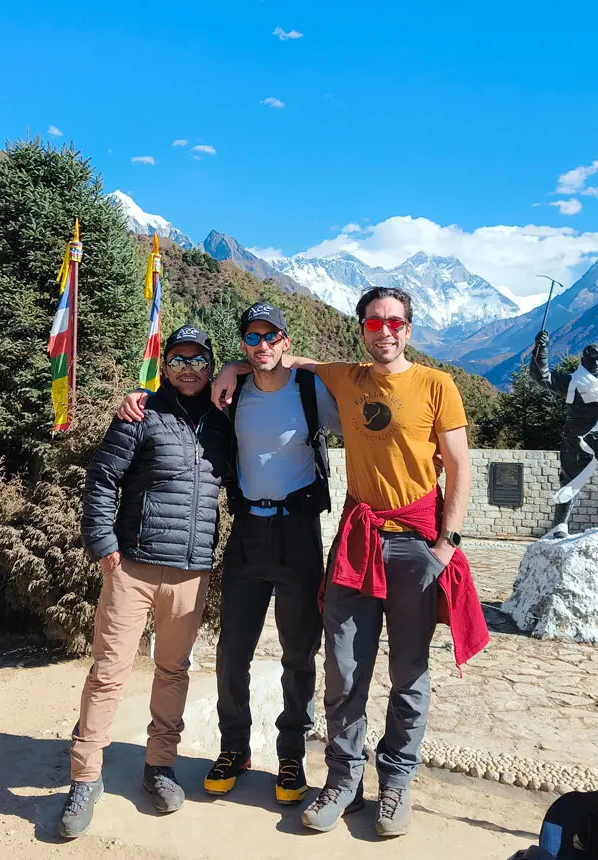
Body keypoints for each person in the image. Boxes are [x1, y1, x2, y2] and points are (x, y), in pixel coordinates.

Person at [212, 286, 488, 838]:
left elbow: (458, 467)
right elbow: (280, 354)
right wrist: (231, 365)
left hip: (418, 544)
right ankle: (343, 781)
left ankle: (396, 784)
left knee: (409, 672)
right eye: (373, 322)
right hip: (358, 541)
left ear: (409, 328)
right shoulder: (345, 376)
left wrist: (446, 546)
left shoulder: (438, 385)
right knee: (343, 668)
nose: (384, 331)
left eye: (395, 322)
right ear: (362, 328)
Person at [116, 302, 341, 806]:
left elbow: (361, 405)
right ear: (241, 343)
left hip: (300, 533)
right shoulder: (230, 392)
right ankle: (234, 748)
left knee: (298, 653)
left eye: (270, 336)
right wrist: (141, 395)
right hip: (247, 534)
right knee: (232, 652)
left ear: (285, 339)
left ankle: (290, 755)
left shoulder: (311, 391)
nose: (261, 345)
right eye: (251, 337)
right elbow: (183, 403)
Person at [57, 325, 233, 840]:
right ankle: (85, 777)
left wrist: (235, 370)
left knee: (173, 671)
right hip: (132, 568)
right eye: (178, 359)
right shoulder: (140, 415)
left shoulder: (223, 423)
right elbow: (101, 481)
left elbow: (263, 375)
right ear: (164, 365)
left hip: (190, 571)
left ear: (210, 364)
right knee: (108, 673)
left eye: (199, 360)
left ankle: (160, 767)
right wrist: (105, 549)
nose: (189, 368)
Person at [530, 330, 598, 538]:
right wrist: (540, 349)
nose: (596, 364)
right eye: (591, 360)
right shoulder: (573, 382)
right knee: (570, 481)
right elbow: (541, 376)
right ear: (583, 361)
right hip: (576, 440)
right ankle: (559, 526)